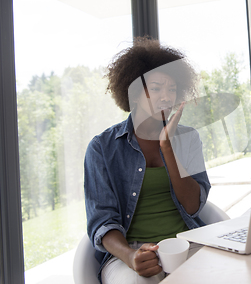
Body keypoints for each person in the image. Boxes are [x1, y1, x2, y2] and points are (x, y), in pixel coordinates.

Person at [84, 37, 211, 284]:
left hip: (187, 242)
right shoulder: (102, 148)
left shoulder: (188, 138)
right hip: (133, 252)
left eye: (172, 89)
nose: (166, 96)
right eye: (156, 88)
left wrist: (168, 148)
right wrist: (131, 256)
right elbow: (102, 220)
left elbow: (193, 206)